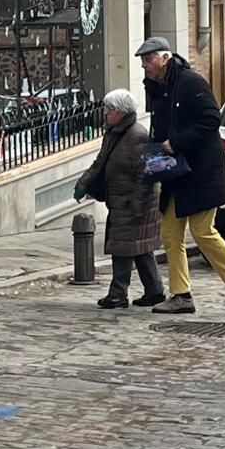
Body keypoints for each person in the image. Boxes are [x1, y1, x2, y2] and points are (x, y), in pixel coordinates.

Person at [135, 36, 225, 315]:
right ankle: (181, 295)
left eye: (148, 60)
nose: (145, 67)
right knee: (170, 233)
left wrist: (176, 142)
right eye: (142, 62)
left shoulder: (190, 82)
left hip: (201, 173)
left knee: (202, 231)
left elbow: (212, 119)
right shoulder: (160, 88)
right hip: (176, 175)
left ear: (164, 58)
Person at [73, 88, 165, 310]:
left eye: (111, 109)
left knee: (122, 247)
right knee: (140, 248)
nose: (106, 113)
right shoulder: (114, 133)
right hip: (121, 200)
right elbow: (100, 162)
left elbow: (147, 176)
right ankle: (154, 291)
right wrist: (82, 184)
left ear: (123, 112)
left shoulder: (137, 135)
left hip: (133, 203)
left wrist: (136, 205)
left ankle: (118, 294)